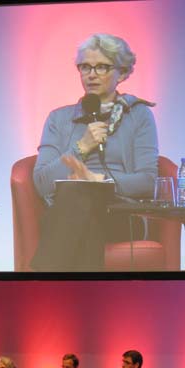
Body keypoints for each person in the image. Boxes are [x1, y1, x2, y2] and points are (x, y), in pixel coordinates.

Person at [31, 33, 158, 271]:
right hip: (69, 210)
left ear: (121, 73)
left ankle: (42, 286)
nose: (91, 74)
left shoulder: (139, 115)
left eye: (102, 67)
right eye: (85, 67)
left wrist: (100, 182)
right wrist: (81, 146)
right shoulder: (59, 119)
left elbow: (148, 182)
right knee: (78, 202)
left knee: (78, 202)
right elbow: (41, 183)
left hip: (120, 214)